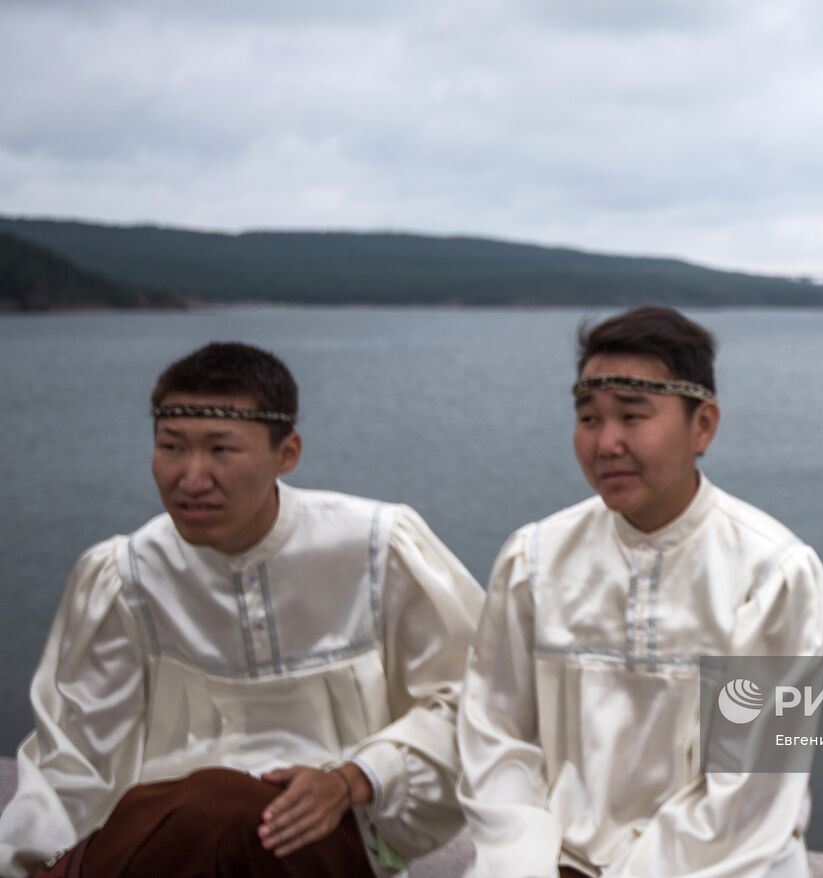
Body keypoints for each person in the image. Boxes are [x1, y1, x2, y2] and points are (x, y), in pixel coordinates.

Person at [0, 342, 484, 876]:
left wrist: (355, 777)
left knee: (221, 805)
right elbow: (74, 757)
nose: (191, 478)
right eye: (172, 447)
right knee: (209, 808)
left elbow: (476, 699)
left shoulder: (376, 547)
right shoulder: (126, 576)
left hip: (328, 837)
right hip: (165, 844)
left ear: (288, 453)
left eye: (221, 450)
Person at [456, 305, 823, 877]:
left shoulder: (771, 573)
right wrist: (525, 863)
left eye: (632, 417)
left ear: (702, 424)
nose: (606, 443)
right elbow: (495, 738)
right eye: (588, 419)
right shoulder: (534, 559)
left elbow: (752, 791)